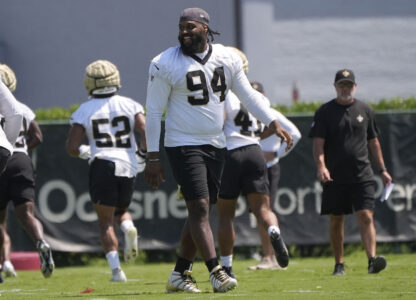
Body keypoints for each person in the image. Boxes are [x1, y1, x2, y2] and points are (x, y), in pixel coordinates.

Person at [144, 7, 293, 294]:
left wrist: (272, 121)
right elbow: (153, 112)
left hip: (215, 143)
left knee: (201, 209)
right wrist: (153, 155)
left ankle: (179, 273)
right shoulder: (164, 62)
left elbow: (248, 94)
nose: (183, 32)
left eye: (190, 27)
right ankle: (216, 271)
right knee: (199, 207)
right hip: (182, 143)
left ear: (205, 29)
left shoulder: (227, 57)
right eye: (181, 27)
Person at [216, 48, 296, 279]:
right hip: (254, 152)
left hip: (230, 153)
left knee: (225, 215)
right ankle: (273, 230)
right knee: (264, 209)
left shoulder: (223, 95)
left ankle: (227, 267)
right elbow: (270, 127)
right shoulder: (259, 96)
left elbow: (218, 125)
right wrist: (253, 139)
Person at [66, 59, 146, 282]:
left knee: (105, 222)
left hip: (103, 163)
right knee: (122, 210)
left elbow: (72, 147)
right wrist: (142, 154)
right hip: (128, 164)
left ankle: (116, 271)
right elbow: (146, 130)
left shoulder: (84, 110)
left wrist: (88, 151)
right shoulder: (130, 104)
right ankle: (129, 226)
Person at [309, 69, 392, 276]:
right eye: (341, 84)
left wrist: (382, 169)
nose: (345, 88)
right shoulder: (325, 112)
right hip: (335, 176)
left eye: (349, 84)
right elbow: (318, 144)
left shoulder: (365, 109)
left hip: (362, 174)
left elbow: (373, 142)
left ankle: (372, 260)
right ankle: (339, 264)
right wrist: (321, 166)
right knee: (337, 219)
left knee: (366, 216)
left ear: (355, 86)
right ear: (335, 86)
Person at [0, 63, 54, 280]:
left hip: (4, 154)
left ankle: (6, 263)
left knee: (0, 221)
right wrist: (17, 148)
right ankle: (41, 241)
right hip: (19, 158)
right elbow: (38, 136)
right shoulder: (22, 107)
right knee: (27, 215)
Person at [247, 81, 301, 271]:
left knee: (264, 211)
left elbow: (295, 133)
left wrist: (277, 153)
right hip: (251, 167)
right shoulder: (246, 115)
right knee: (259, 212)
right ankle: (269, 256)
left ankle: (270, 257)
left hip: (269, 168)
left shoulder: (271, 114)